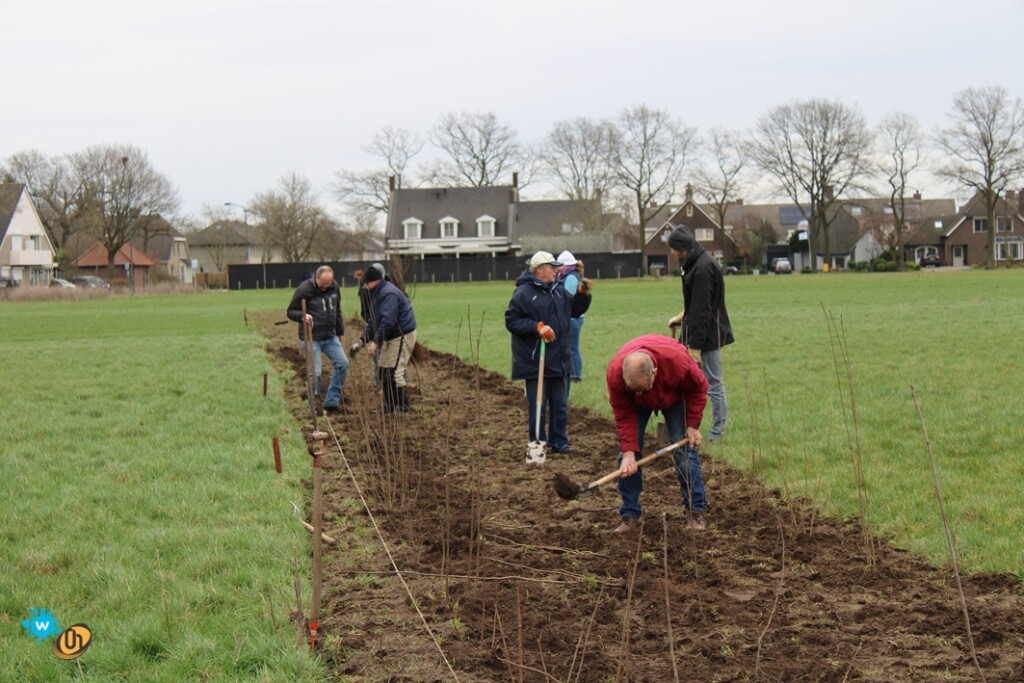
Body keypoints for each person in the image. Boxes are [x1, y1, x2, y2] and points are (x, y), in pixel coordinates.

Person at [606, 334, 710, 533]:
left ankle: (695, 511)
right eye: (632, 389)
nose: (638, 393)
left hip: (674, 397)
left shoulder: (678, 362)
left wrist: (692, 426)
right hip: (636, 407)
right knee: (627, 458)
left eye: (642, 389)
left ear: (654, 373)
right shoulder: (615, 375)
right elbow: (623, 415)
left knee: (685, 452)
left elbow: (699, 388)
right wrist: (629, 452)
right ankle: (630, 515)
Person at [505, 251, 592, 455]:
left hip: (560, 358)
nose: (556, 270)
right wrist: (537, 327)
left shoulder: (558, 291)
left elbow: (574, 310)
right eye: (551, 267)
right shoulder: (523, 293)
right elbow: (512, 320)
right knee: (538, 406)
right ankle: (537, 447)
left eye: (556, 267)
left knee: (560, 406)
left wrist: (582, 294)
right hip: (536, 360)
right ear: (538, 270)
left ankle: (559, 442)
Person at [666, 224, 735, 442]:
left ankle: (717, 433)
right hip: (695, 328)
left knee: (713, 382)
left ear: (682, 248)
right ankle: (681, 427)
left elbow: (704, 310)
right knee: (684, 380)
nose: (671, 253)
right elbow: (697, 303)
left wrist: (694, 346)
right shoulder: (693, 263)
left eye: (673, 248)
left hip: (707, 334)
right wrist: (684, 315)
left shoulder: (703, 268)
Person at [286, 265, 348, 413]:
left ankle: (331, 402)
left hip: (330, 336)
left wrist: (340, 331)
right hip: (311, 337)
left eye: (328, 284)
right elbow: (290, 312)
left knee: (343, 364)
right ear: (316, 277)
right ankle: (313, 405)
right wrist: (303, 316)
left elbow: (337, 310)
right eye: (322, 284)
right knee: (316, 372)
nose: (326, 287)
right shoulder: (304, 289)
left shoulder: (334, 287)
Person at [356, 263, 417, 413]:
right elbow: (374, 320)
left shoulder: (388, 293)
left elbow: (387, 321)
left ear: (372, 281)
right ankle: (388, 407)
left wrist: (376, 342)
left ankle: (403, 409)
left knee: (395, 372)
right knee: (384, 371)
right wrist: (363, 340)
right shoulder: (377, 293)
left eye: (365, 283)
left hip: (401, 335)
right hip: (391, 335)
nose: (364, 287)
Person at [556, 250, 586, 391]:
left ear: (565, 265)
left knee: (573, 348)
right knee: (572, 347)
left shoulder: (570, 278)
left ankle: (576, 374)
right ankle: (574, 374)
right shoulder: (568, 276)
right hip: (572, 318)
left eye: (559, 265)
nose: (557, 268)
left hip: (573, 319)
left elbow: (569, 299)